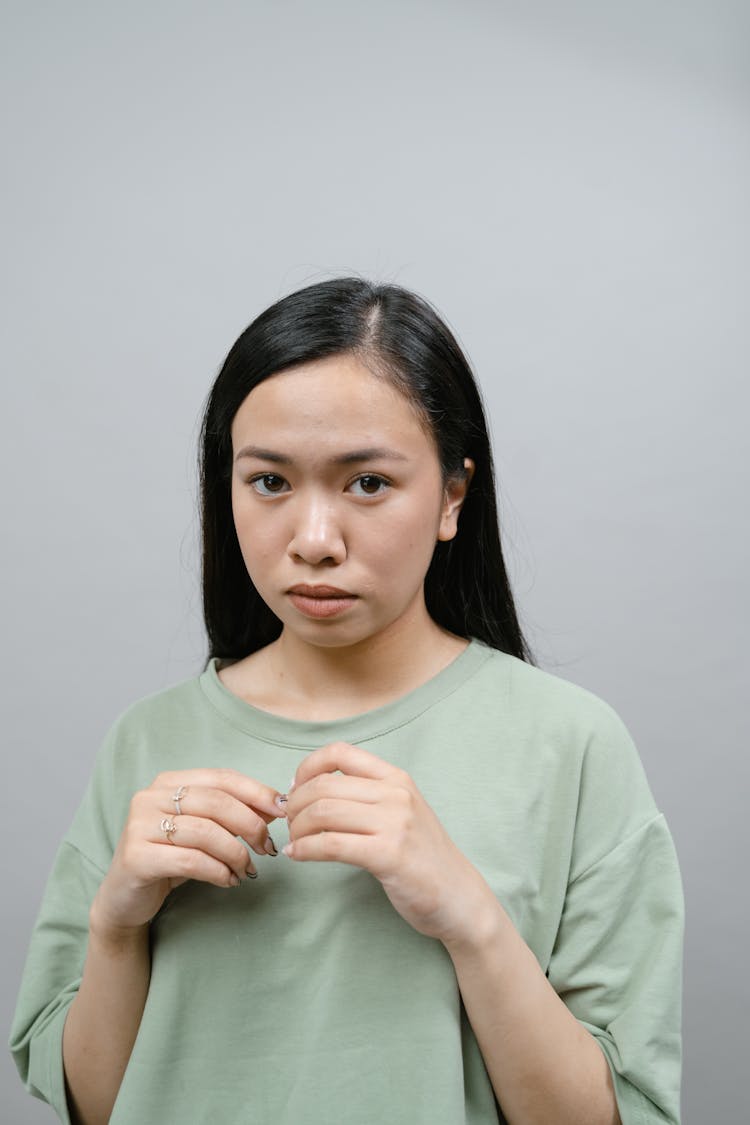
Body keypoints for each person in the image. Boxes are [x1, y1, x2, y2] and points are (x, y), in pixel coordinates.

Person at [9, 277, 684, 1125]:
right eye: (268, 482)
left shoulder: (572, 744)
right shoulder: (146, 743)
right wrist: (115, 923)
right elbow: (101, 1107)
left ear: (452, 496)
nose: (315, 540)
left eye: (367, 482)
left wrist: (468, 915)